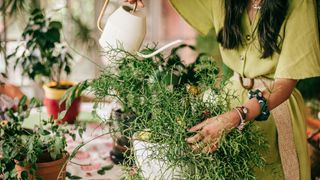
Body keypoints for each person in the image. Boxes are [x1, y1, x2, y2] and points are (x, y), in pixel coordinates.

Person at [125, 0, 320, 179]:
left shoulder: (299, 3)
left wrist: (234, 117)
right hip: (229, 98)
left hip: (275, 109)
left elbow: (284, 85)